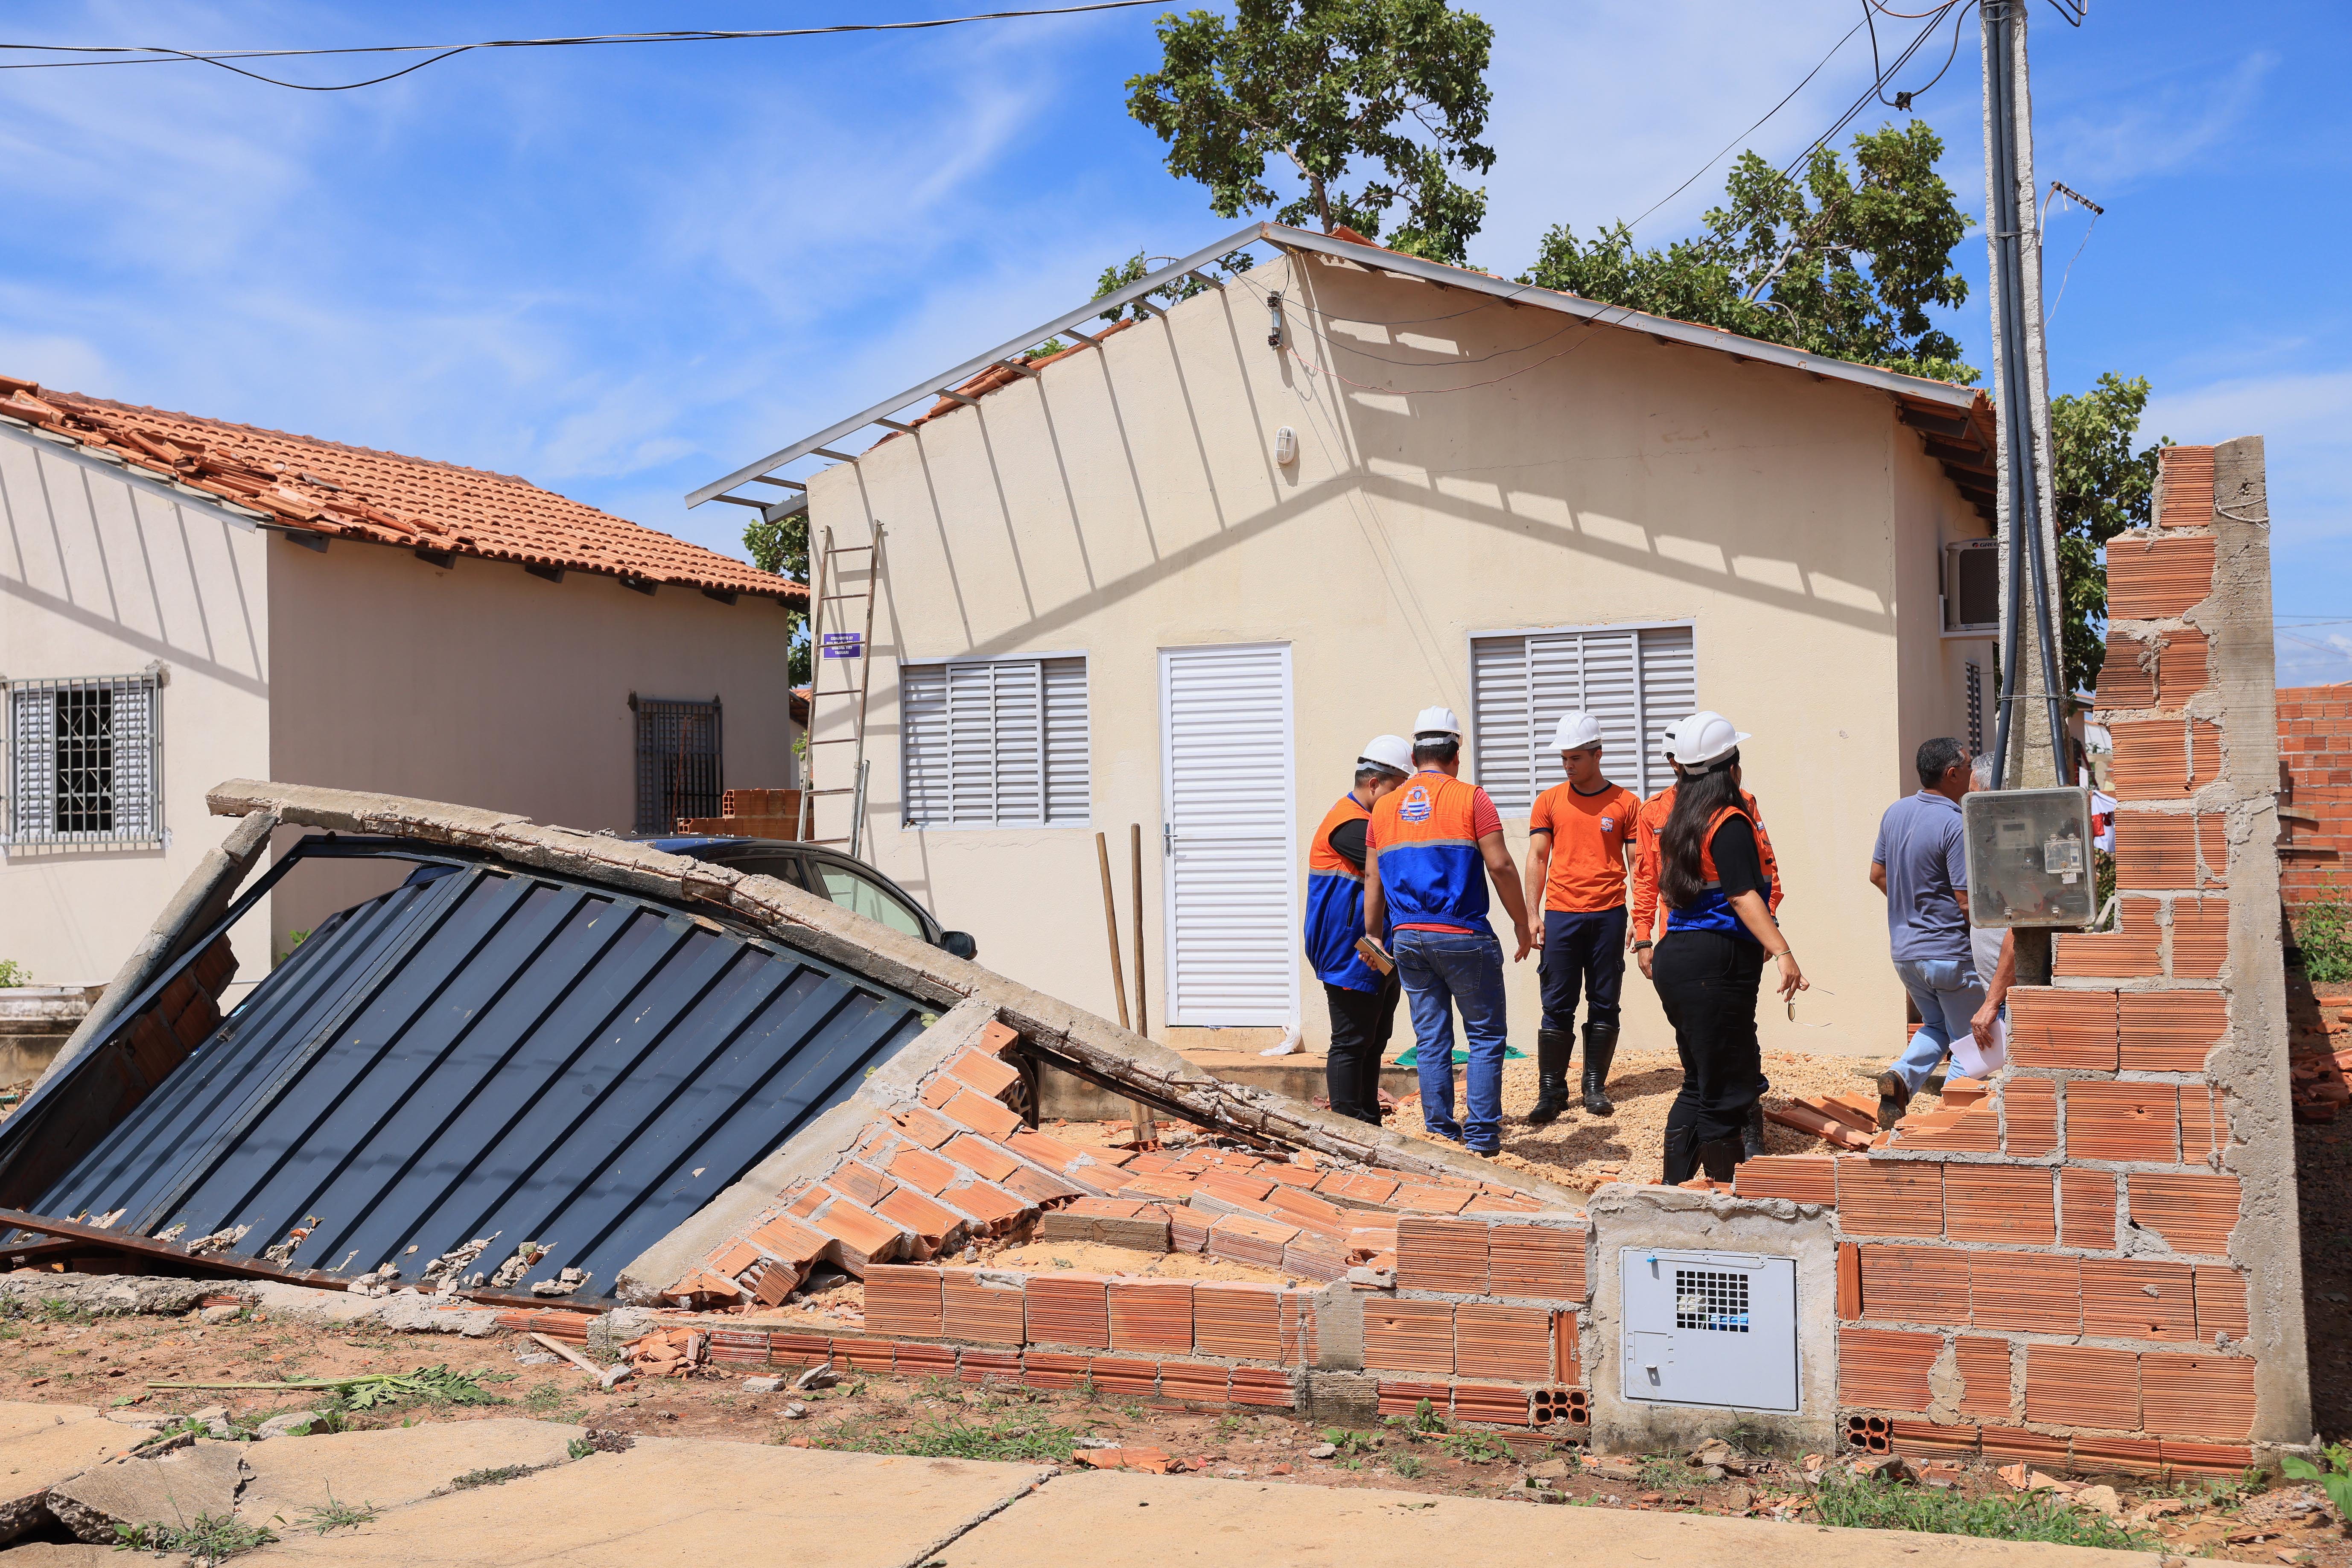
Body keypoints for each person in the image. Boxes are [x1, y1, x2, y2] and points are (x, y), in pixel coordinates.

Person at [1363, 706, 1535, 1157]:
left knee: (1432, 1038)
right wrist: (1521, 920)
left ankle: (1440, 1134)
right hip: (1462, 934)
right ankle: (1480, 1137)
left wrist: (1374, 935)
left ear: (1416, 753)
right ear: (1455, 752)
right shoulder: (1471, 799)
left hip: (1407, 938)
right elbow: (1499, 864)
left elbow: (1372, 878)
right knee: (1483, 1036)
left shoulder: (1382, 808)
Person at [1649, 711, 1805, 1185]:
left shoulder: (1677, 819)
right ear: (1731, 769)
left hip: (1677, 957)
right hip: (1712, 964)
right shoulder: (1729, 820)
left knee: (1700, 1080)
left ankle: (1675, 1188)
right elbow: (1742, 894)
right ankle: (1724, 1195)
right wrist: (1782, 951)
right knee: (1724, 1087)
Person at [1628, 725, 1783, 1153]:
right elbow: (1645, 877)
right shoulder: (1654, 812)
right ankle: (1709, 1141)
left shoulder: (1739, 805)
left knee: (1738, 1031)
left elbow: (1764, 870)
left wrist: (1764, 929)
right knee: (1695, 1043)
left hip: (1732, 938)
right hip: (1681, 939)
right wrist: (1643, 937)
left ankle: (1745, 1124)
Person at [1521, 711, 1640, 1124]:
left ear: (1597, 754)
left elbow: (1638, 864)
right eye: (1564, 758)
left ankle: (1594, 1085)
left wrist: (1641, 920)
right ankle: (1551, 1090)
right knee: (1556, 1004)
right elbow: (1537, 857)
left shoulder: (1627, 803)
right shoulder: (1549, 801)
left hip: (1609, 914)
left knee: (1606, 1002)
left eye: (1576, 757)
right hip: (1562, 915)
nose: (1569, 765)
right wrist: (1532, 914)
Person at [1871, 736, 1983, 1128]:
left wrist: (1913, 907)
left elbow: (1877, 875)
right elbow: (1966, 899)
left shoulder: (1895, 813)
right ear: (1952, 774)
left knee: (1937, 1027)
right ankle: (1948, 1122)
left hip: (1905, 953)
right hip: (1949, 953)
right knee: (1975, 1046)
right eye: (1968, 767)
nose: (1971, 774)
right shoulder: (1954, 822)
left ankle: (1901, 1079)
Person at [1303, 734, 1416, 1124]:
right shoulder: (1350, 825)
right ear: (1374, 784)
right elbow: (1396, 867)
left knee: (1373, 1041)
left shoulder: (1368, 820)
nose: (1402, 801)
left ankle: (1369, 1119)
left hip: (1376, 949)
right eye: (1397, 790)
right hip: (1348, 949)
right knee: (1351, 1041)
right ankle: (1348, 1125)